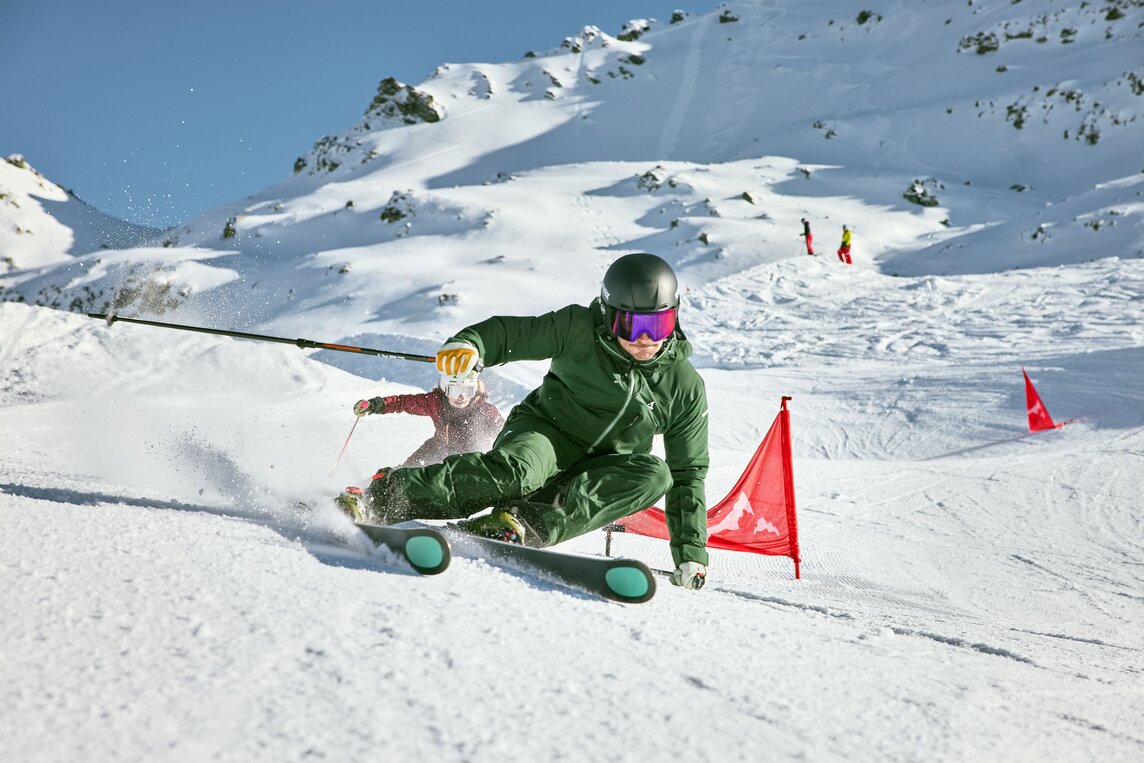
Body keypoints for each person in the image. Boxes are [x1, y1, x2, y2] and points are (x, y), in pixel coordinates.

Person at [347, 252, 710, 590]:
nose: (645, 340)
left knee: (655, 474)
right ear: (608, 313)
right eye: (630, 325)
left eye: (658, 324)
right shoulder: (578, 328)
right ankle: (382, 495)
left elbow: (688, 473)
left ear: (674, 317)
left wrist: (691, 551)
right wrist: (470, 345)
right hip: (546, 433)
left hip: (601, 470)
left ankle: (517, 522)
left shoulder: (683, 385)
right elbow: (511, 334)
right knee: (518, 473)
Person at [351, 373, 504, 468]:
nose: (461, 397)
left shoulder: (484, 410)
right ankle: (376, 487)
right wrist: (376, 405)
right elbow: (403, 402)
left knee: (439, 482)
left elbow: (506, 432)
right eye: (455, 391)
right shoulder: (435, 402)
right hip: (438, 447)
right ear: (445, 389)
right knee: (408, 470)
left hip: (469, 459)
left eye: (467, 391)